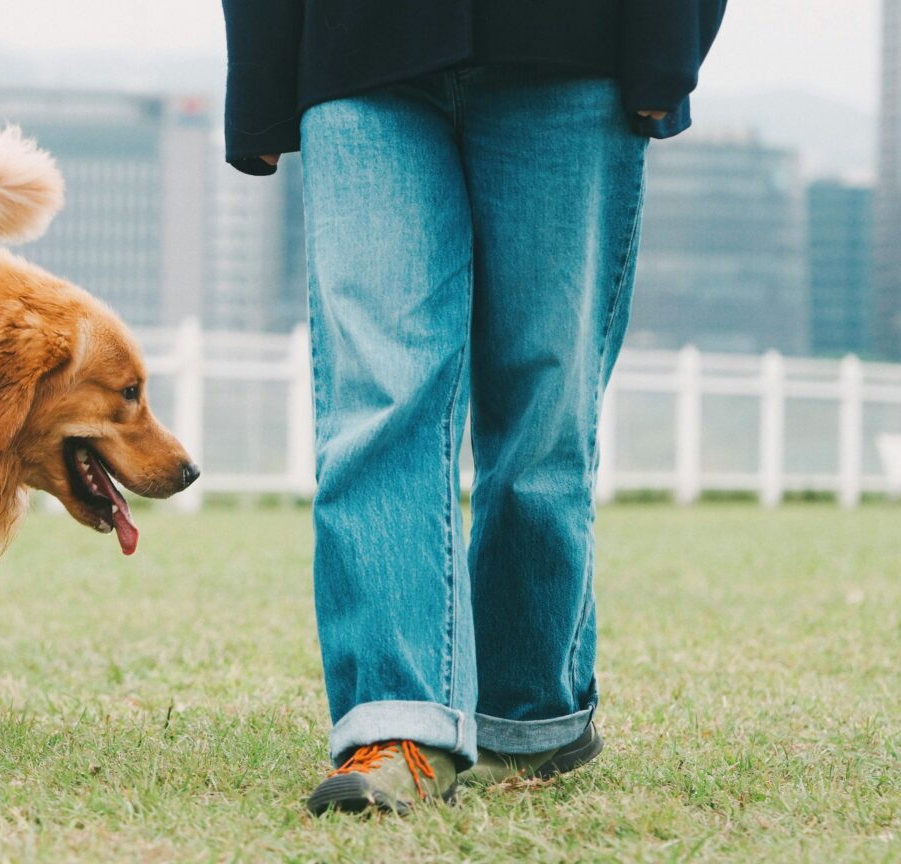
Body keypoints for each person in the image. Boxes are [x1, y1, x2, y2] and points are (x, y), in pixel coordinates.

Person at [220, 1, 728, 814]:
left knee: (543, 410)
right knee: (379, 397)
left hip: (573, 50)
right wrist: (261, 74)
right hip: (355, 50)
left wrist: (668, 41)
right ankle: (395, 727)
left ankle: (531, 719)